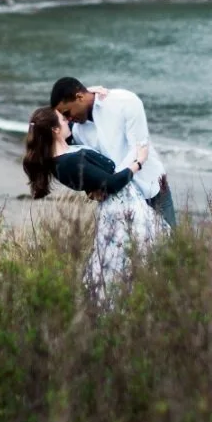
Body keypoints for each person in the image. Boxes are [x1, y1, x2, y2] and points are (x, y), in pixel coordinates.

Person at [22, 105, 166, 301]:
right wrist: (139, 162)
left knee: (134, 257)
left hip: (122, 204)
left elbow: (92, 179)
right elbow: (112, 183)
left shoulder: (64, 151)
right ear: (55, 130)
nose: (67, 120)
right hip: (121, 209)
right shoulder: (66, 162)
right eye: (63, 120)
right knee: (136, 258)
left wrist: (91, 94)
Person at [49, 77, 177, 230]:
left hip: (151, 188)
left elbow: (138, 148)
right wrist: (92, 189)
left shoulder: (124, 101)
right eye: (64, 117)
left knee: (170, 247)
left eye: (67, 112)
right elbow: (86, 166)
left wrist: (110, 182)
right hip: (118, 203)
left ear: (80, 97)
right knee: (133, 252)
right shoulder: (76, 130)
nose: (68, 119)